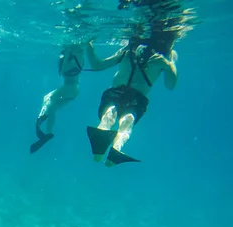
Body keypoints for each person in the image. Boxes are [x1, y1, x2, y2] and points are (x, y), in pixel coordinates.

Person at [85, 25, 178, 166]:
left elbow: (171, 85)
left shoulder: (167, 56)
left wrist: (167, 65)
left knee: (127, 120)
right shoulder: (127, 51)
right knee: (110, 114)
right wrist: (88, 45)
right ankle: (101, 140)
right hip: (116, 92)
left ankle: (116, 149)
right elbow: (97, 65)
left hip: (137, 98)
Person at [31, 42, 90, 153]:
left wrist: (68, 51)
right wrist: (68, 52)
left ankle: (40, 119)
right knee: (53, 107)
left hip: (71, 88)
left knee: (47, 98)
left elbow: (64, 71)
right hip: (72, 90)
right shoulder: (75, 57)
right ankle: (49, 133)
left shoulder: (77, 58)